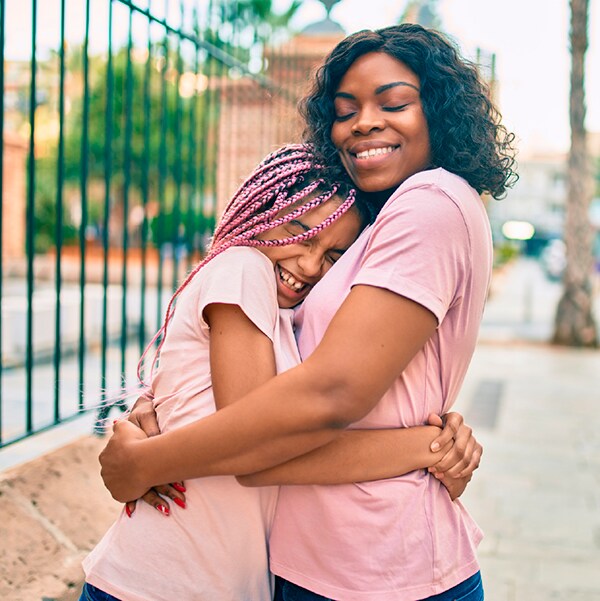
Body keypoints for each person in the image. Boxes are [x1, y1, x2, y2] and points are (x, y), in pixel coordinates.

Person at [100, 23, 517, 600]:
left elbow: (322, 397)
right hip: (312, 561)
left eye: (393, 102)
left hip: (378, 567)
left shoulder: (433, 200)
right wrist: (156, 402)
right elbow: (274, 375)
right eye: (345, 111)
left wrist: (146, 461)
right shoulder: (367, 228)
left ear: (441, 113)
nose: (365, 121)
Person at [81, 144, 468, 601]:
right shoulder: (242, 269)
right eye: (302, 233)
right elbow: (258, 439)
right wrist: (424, 445)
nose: (309, 265)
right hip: (157, 581)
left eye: (332, 256)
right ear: (262, 212)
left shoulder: (288, 314)